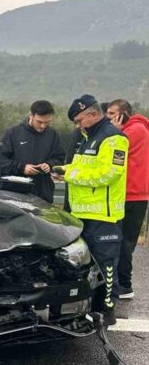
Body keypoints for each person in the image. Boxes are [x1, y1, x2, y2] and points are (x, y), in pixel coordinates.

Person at [55, 95, 128, 326]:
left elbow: (109, 174)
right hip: (81, 213)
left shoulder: (114, 139)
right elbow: (81, 166)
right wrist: (62, 169)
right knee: (82, 264)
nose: (78, 125)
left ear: (93, 114)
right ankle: (84, 306)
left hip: (103, 215)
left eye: (79, 120)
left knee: (106, 265)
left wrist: (71, 175)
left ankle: (107, 310)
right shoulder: (87, 137)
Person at [106, 99, 149, 299]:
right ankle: (123, 283)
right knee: (124, 241)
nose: (108, 117)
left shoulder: (135, 131)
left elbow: (115, 149)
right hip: (135, 193)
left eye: (111, 113)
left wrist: (114, 131)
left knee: (124, 242)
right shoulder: (138, 129)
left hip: (132, 194)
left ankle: (124, 284)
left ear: (123, 115)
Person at [0, 100, 66, 202]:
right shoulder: (13, 133)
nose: (43, 126)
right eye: (39, 122)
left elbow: (60, 158)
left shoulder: (53, 135)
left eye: (47, 122)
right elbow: (0, 161)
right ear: (31, 115)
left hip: (44, 194)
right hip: (17, 193)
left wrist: (49, 165)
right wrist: (22, 168)